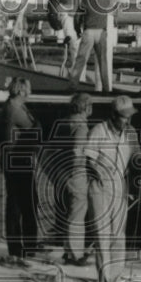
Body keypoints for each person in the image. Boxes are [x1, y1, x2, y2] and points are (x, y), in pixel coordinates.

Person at [85, 95, 139, 282]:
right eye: (125, 117)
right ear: (114, 115)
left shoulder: (130, 134)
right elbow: (88, 160)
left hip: (120, 187)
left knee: (119, 237)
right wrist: (98, 172)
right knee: (102, 236)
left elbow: (136, 160)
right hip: (99, 188)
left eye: (130, 116)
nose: (128, 120)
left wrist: (137, 182)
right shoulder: (99, 131)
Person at [3, 76, 41, 259]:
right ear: (20, 91)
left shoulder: (11, 106)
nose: (30, 93)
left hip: (14, 160)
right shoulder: (15, 110)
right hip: (19, 161)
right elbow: (34, 127)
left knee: (18, 204)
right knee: (26, 204)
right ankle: (28, 246)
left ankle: (18, 246)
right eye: (28, 90)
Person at [58, 92, 93, 265]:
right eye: (90, 105)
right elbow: (77, 152)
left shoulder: (65, 122)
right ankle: (75, 254)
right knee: (78, 213)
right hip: (76, 173)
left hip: (63, 172)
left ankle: (68, 249)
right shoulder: (81, 127)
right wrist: (80, 169)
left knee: (69, 212)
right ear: (85, 107)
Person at [71, 0, 114, 93]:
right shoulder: (107, 0)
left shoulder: (86, 0)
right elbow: (116, 13)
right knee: (103, 62)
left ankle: (73, 86)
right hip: (101, 33)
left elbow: (77, 17)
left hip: (88, 32)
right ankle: (106, 89)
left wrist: (77, 30)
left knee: (80, 61)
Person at [48, 0, 79, 77]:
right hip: (76, 39)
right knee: (76, 58)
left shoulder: (65, 19)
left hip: (74, 41)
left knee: (75, 57)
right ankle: (76, 75)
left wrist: (66, 39)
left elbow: (68, 33)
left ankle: (75, 77)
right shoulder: (69, 15)